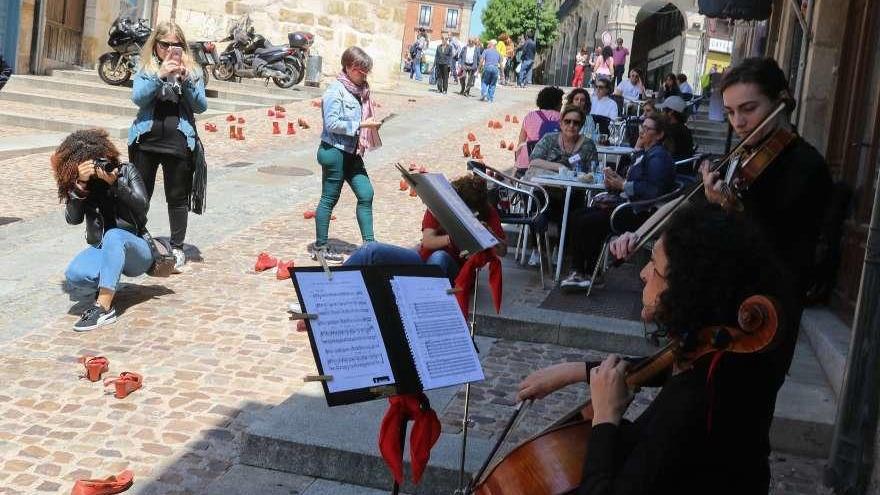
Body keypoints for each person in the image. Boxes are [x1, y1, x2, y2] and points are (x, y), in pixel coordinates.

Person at [519, 204, 789, 494]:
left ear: (688, 288)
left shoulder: (695, 400)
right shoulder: (722, 360)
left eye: (655, 266)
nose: (644, 274)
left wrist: (605, 418)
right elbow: (663, 364)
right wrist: (573, 371)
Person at [612, 56, 832, 383]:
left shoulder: (806, 166)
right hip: (720, 305)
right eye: (730, 112)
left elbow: (783, 252)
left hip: (764, 312)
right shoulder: (742, 156)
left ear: (780, 102)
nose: (739, 122)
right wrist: (638, 233)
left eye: (749, 109)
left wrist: (730, 209)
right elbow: (686, 205)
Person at [560, 113, 675, 290]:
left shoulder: (658, 157)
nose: (641, 132)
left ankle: (588, 273)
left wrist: (623, 185)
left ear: (659, 135)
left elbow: (654, 190)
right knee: (577, 215)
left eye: (647, 129)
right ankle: (582, 272)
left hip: (641, 214)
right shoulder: (647, 153)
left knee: (587, 221)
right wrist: (616, 181)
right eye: (641, 127)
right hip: (629, 207)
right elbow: (637, 183)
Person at [54, 129, 152, 332]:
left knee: (114, 236)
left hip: (136, 248)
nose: (99, 166)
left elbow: (142, 206)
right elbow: (73, 219)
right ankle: (110, 280)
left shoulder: (126, 171)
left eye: (101, 159)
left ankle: (104, 307)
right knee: (75, 274)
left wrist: (115, 184)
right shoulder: (83, 185)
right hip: (102, 248)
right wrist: (80, 184)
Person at [129, 20, 207, 273]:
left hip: (178, 141)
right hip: (146, 141)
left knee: (177, 197)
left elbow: (200, 106)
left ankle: (177, 247)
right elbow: (138, 98)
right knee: (140, 196)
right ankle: (137, 241)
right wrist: (159, 75)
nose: (170, 49)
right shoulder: (147, 67)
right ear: (156, 45)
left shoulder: (193, 70)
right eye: (165, 44)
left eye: (177, 45)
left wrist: (185, 83)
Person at [313, 46, 383, 263]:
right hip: (334, 151)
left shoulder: (360, 91)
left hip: (353, 153)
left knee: (366, 193)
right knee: (329, 199)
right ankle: (321, 247)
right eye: (362, 72)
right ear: (350, 68)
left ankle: (370, 244)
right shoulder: (336, 91)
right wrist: (362, 124)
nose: (365, 76)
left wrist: (371, 127)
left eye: (366, 72)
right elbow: (332, 123)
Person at [420, 175, 508, 281]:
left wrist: (489, 234)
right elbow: (428, 241)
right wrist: (455, 237)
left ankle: (427, 291)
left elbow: (503, 251)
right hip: (423, 260)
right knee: (394, 254)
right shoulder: (442, 204)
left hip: (458, 272)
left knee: (440, 257)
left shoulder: (488, 212)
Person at [513, 86, 564, 178]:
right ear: (556, 103)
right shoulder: (563, 118)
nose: (562, 105)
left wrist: (516, 164)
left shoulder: (530, 116)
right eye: (561, 102)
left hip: (526, 165)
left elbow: (520, 143)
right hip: (552, 166)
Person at [656, 95, 695, 163]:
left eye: (663, 110)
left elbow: (658, 153)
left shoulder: (671, 131)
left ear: (671, 112)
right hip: (682, 168)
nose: (661, 113)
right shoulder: (683, 129)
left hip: (674, 169)